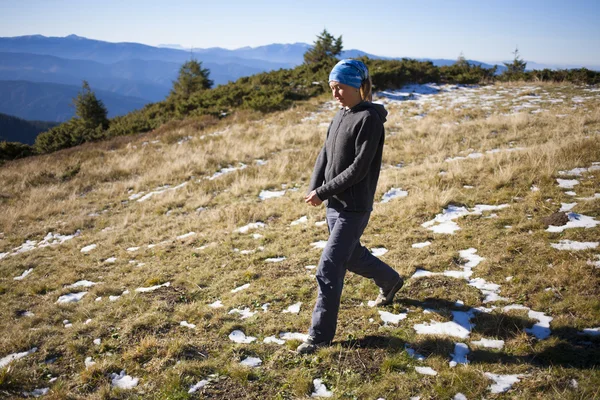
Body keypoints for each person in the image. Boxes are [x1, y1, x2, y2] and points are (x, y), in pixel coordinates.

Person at [297, 59, 404, 354]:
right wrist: (314, 186)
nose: (335, 94)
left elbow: (358, 169)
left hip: (353, 208)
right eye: (332, 88)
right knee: (351, 256)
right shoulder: (340, 115)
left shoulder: (369, 120)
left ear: (359, 86)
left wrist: (323, 190)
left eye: (340, 88)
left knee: (329, 267)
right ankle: (391, 280)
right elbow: (325, 153)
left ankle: (319, 337)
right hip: (334, 203)